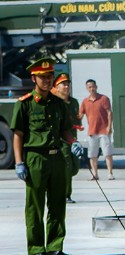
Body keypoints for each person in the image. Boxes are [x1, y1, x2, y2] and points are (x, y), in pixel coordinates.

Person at [13, 57, 83, 255]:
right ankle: (36, 249)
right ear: (34, 78)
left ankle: (54, 246)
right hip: (35, 158)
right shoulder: (25, 104)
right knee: (35, 207)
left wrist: (73, 143)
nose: (47, 80)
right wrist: (19, 162)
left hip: (57, 158)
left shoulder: (58, 104)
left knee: (57, 204)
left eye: (50, 76)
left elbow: (64, 131)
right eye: (43, 77)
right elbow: (18, 135)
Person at [52, 74, 80, 203]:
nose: (67, 87)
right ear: (56, 87)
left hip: (73, 139)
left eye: (68, 84)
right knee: (67, 166)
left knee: (74, 168)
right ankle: (65, 195)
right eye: (63, 84)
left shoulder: (74, 102)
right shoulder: (54, 103)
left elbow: (76, 119)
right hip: (61, 141)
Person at [80, 78, 113, 180]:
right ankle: (95, 174)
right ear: (86, 88)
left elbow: (109, 112)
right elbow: (80, 114)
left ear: (96, 87)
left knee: (107, 153)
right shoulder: (85, 101)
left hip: (104, 130)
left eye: (93, 87)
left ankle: (110, 173)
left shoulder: (104, 99)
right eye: (89, 87)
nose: (91, 89)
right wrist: (78, 124)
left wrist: (109, 126)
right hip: (92, 132)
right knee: (92, 154)